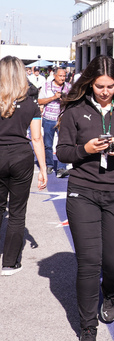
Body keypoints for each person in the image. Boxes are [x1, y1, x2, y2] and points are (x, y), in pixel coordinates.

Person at [56, 55, 114, 341]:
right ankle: (87, 328)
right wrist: (85, 148)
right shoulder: (74, 110)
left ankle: (110, 293)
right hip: (82, 191)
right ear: (89, 83)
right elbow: (63, 152)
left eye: (110, 86)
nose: (105, 91)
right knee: (88, 262)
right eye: (99, 86)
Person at [0, 56, 48, 276]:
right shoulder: (31, 104)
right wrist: (44, 169)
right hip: (21, 156)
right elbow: (37, 138)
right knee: (18, 212)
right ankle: (10, 262)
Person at [38, 67, 71, 177]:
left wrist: (65, 100)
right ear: (55, 76)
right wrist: (53, 97)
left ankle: (61, 168)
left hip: (63, 120)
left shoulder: (68, 87)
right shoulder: (46, 86)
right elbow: (40, 100)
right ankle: (50, 164)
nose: (62, 78)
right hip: (48, 119)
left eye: (64, 76)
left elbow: (73, 102)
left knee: (62, 144)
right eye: (60, 76)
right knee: (48, 144)